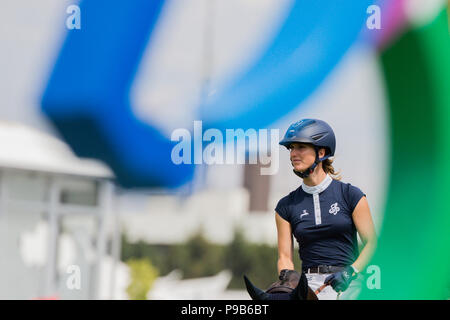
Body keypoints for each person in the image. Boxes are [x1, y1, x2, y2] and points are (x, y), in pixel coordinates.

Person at [275, 118, 377, 299]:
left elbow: (372, 244)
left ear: (321, 152)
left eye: (300, 147)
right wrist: (288, 277)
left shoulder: (351, 195)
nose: (293, 154)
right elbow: (285, 256)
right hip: (308, 286)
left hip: (350, 283)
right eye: (291, 148)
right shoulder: (285, 206)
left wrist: (350, 272)